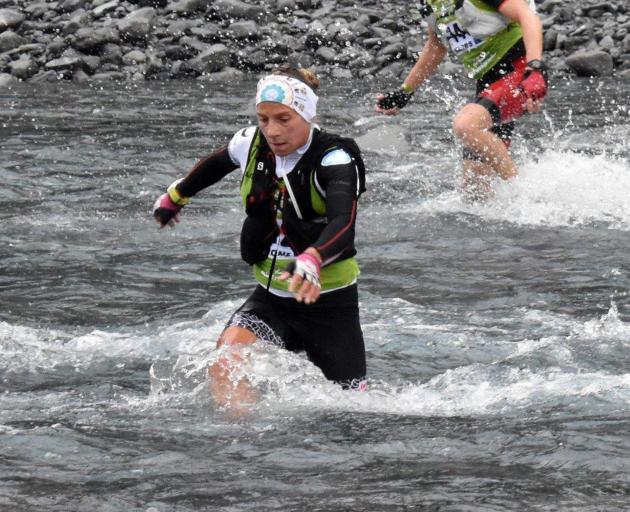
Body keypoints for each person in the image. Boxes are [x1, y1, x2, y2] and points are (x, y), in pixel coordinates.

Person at [153, 65, 368, 407]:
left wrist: (312, 258)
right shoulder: (250, 142)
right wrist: (175, 197)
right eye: (264, 119)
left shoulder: (336, 158)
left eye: (284, 119)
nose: (272, 131)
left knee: (350, 411)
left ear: (307, 114)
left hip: (328, 304)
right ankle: (241, 449)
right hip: (271, 299)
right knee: (227, 362)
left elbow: (343, 223)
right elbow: (212, 166)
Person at [376, 0, 548, 199]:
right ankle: (521, 207)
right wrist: (404, 92)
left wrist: (535, 69)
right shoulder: (428, 3)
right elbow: (436, 46)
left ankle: (524, 200)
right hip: (487, 83)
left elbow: (527, 15)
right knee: (473, 188)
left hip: (519, 70)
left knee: (466, 126)